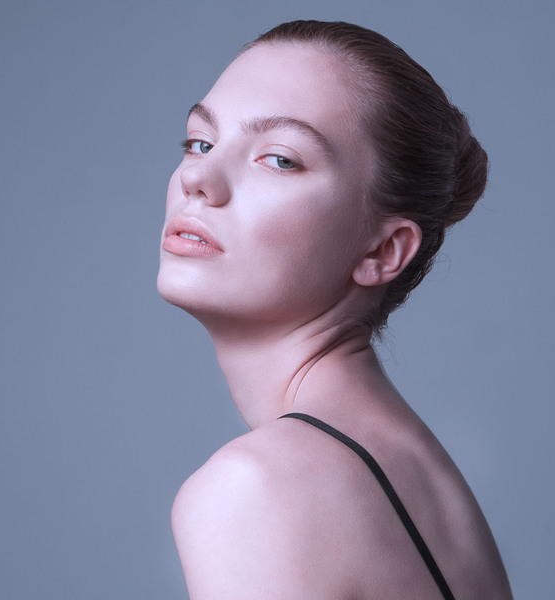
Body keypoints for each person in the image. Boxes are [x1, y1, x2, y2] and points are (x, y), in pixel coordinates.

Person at [157, 20, 512, 600]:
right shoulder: (426, 477)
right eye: (201, 142)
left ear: (382, 250)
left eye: (279, 159)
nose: (197, 177)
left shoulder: (258, 490)